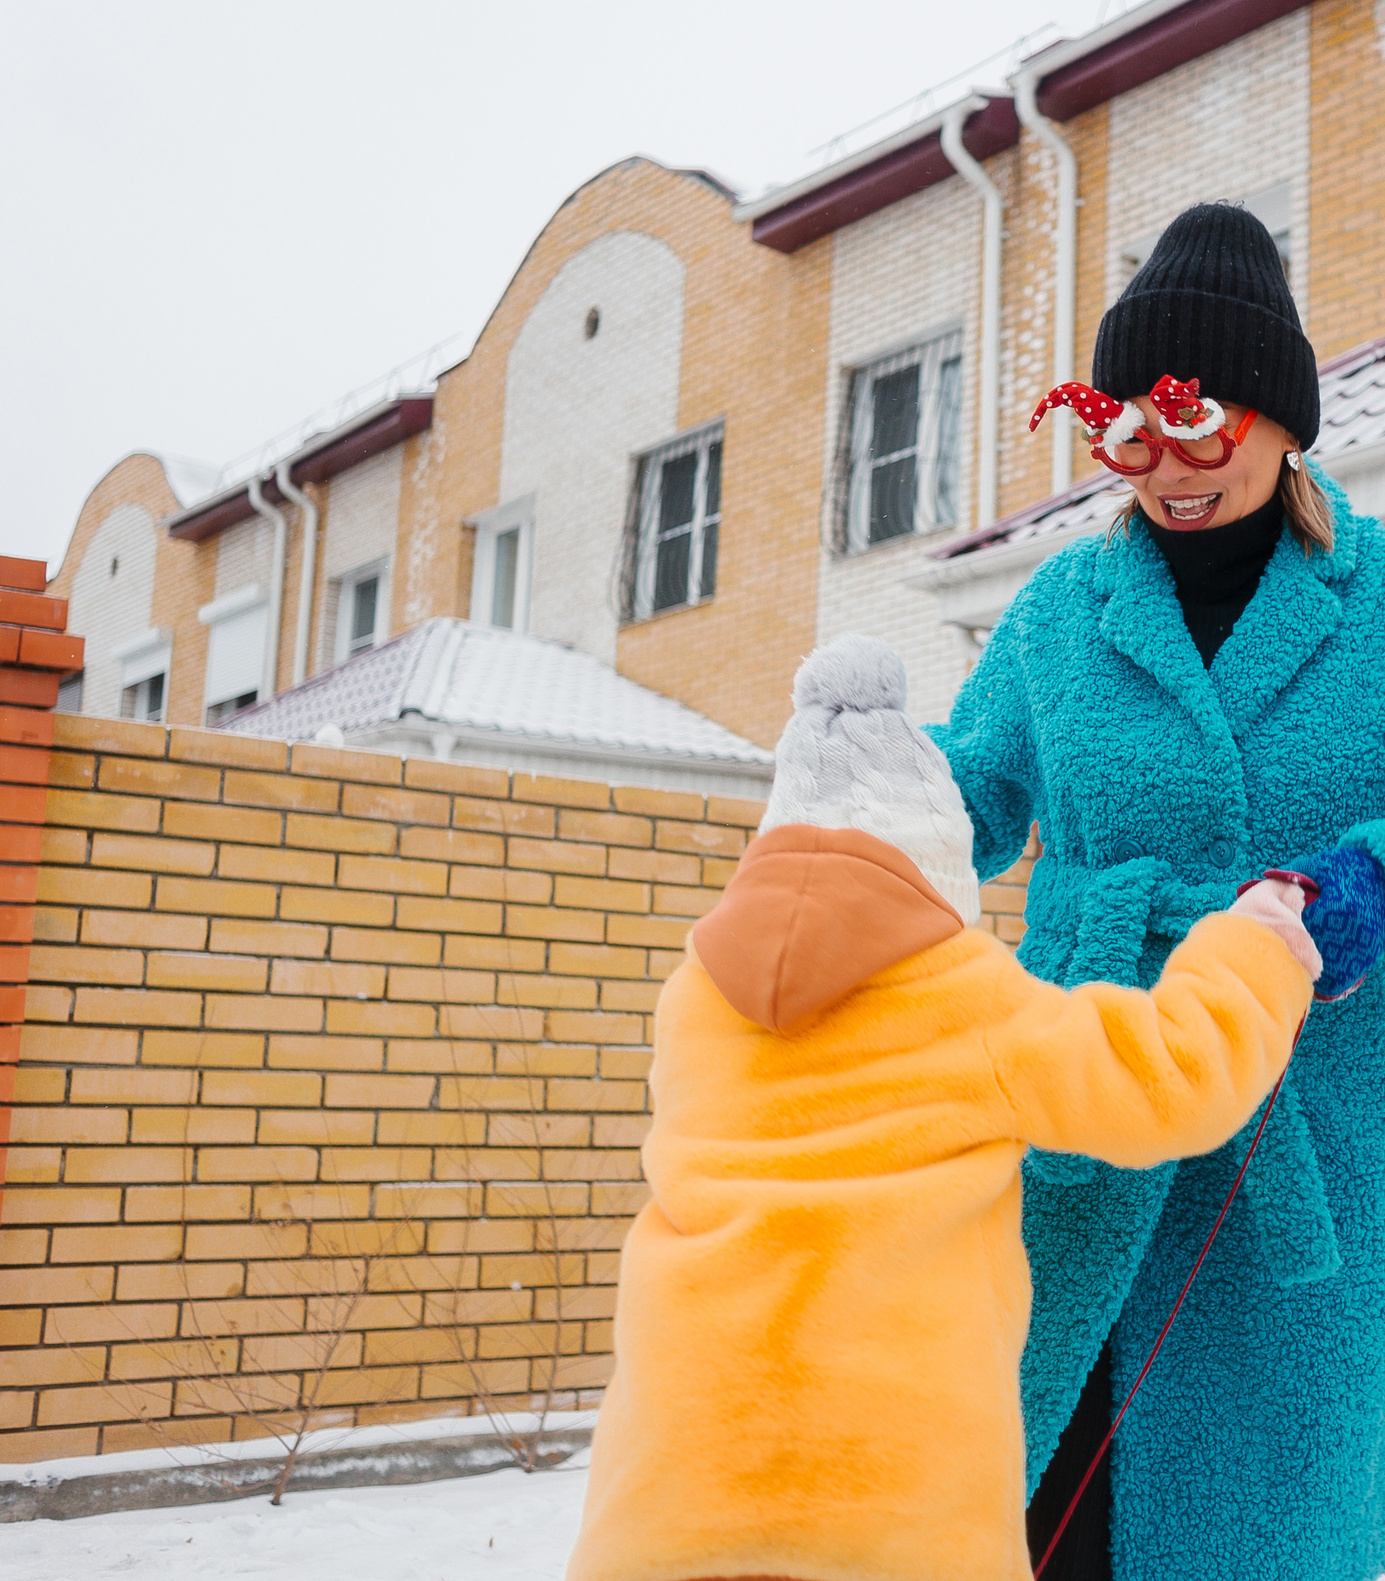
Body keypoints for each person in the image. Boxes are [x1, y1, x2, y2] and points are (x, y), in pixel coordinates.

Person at [929, 202, 1385, 1581]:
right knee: (1034, 1515)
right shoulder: (1064, 610)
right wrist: (853, 810)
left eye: (1206, 424)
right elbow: (966, 800)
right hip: (1084, 1128)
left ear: (1283, 419)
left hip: (1302, 1143)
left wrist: (1378, 881)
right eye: (1131, 430)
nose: (1170, 468)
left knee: (1266, 1529)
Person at [568, 635, 1340, 1581]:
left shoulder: (696, 999)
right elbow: (1171, 1080)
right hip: (891, 1507)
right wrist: (1253, 947)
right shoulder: (959, 993)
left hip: (671, 1492)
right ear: (934, 859)